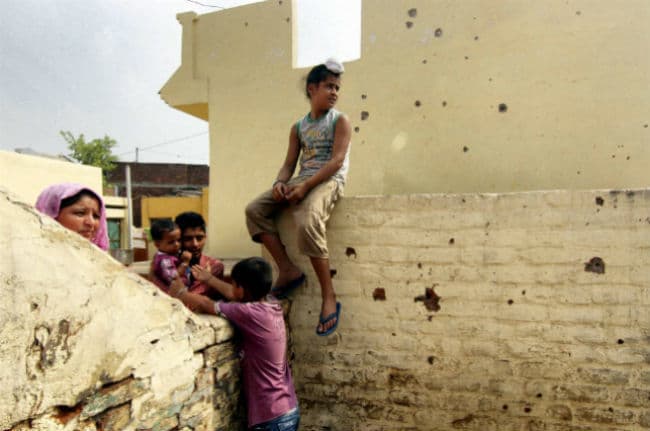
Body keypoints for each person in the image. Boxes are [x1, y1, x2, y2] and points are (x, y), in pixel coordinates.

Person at [245, 58, 351, 336]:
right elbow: (289, 164)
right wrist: (280, 183)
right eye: (329, 86)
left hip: (329, 181)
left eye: (337, 88)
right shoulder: (298, 127)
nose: (334, 92)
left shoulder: (340, 121)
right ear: (312, 88)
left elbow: (337, 162)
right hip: (302, 180)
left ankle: (329, 295)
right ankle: (287, 269)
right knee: (254, 210)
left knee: (308, 219)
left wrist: (305, 188)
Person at [169, 257, 299, 431]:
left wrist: (181, 293)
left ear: (241, 289)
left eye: (234, 284)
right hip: (288, 408)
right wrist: (210, 279)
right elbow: (235, 294)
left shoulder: (249, 313)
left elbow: (207, 304)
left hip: (270, 416)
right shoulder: (271, 305)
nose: (231, 288)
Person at [35, 182, 109, 251]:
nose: (91, 222)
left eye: (96, 216)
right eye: (80, 213)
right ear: (51, 215)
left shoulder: (96, 258)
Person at [149, 219, 192, 295]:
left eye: (179, 240)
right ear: (157, 244)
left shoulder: (169, 254)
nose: (177, 244)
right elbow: (173, 277)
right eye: (171, 242)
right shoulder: (165, 260)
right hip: (172, 295)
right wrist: (185, 263)